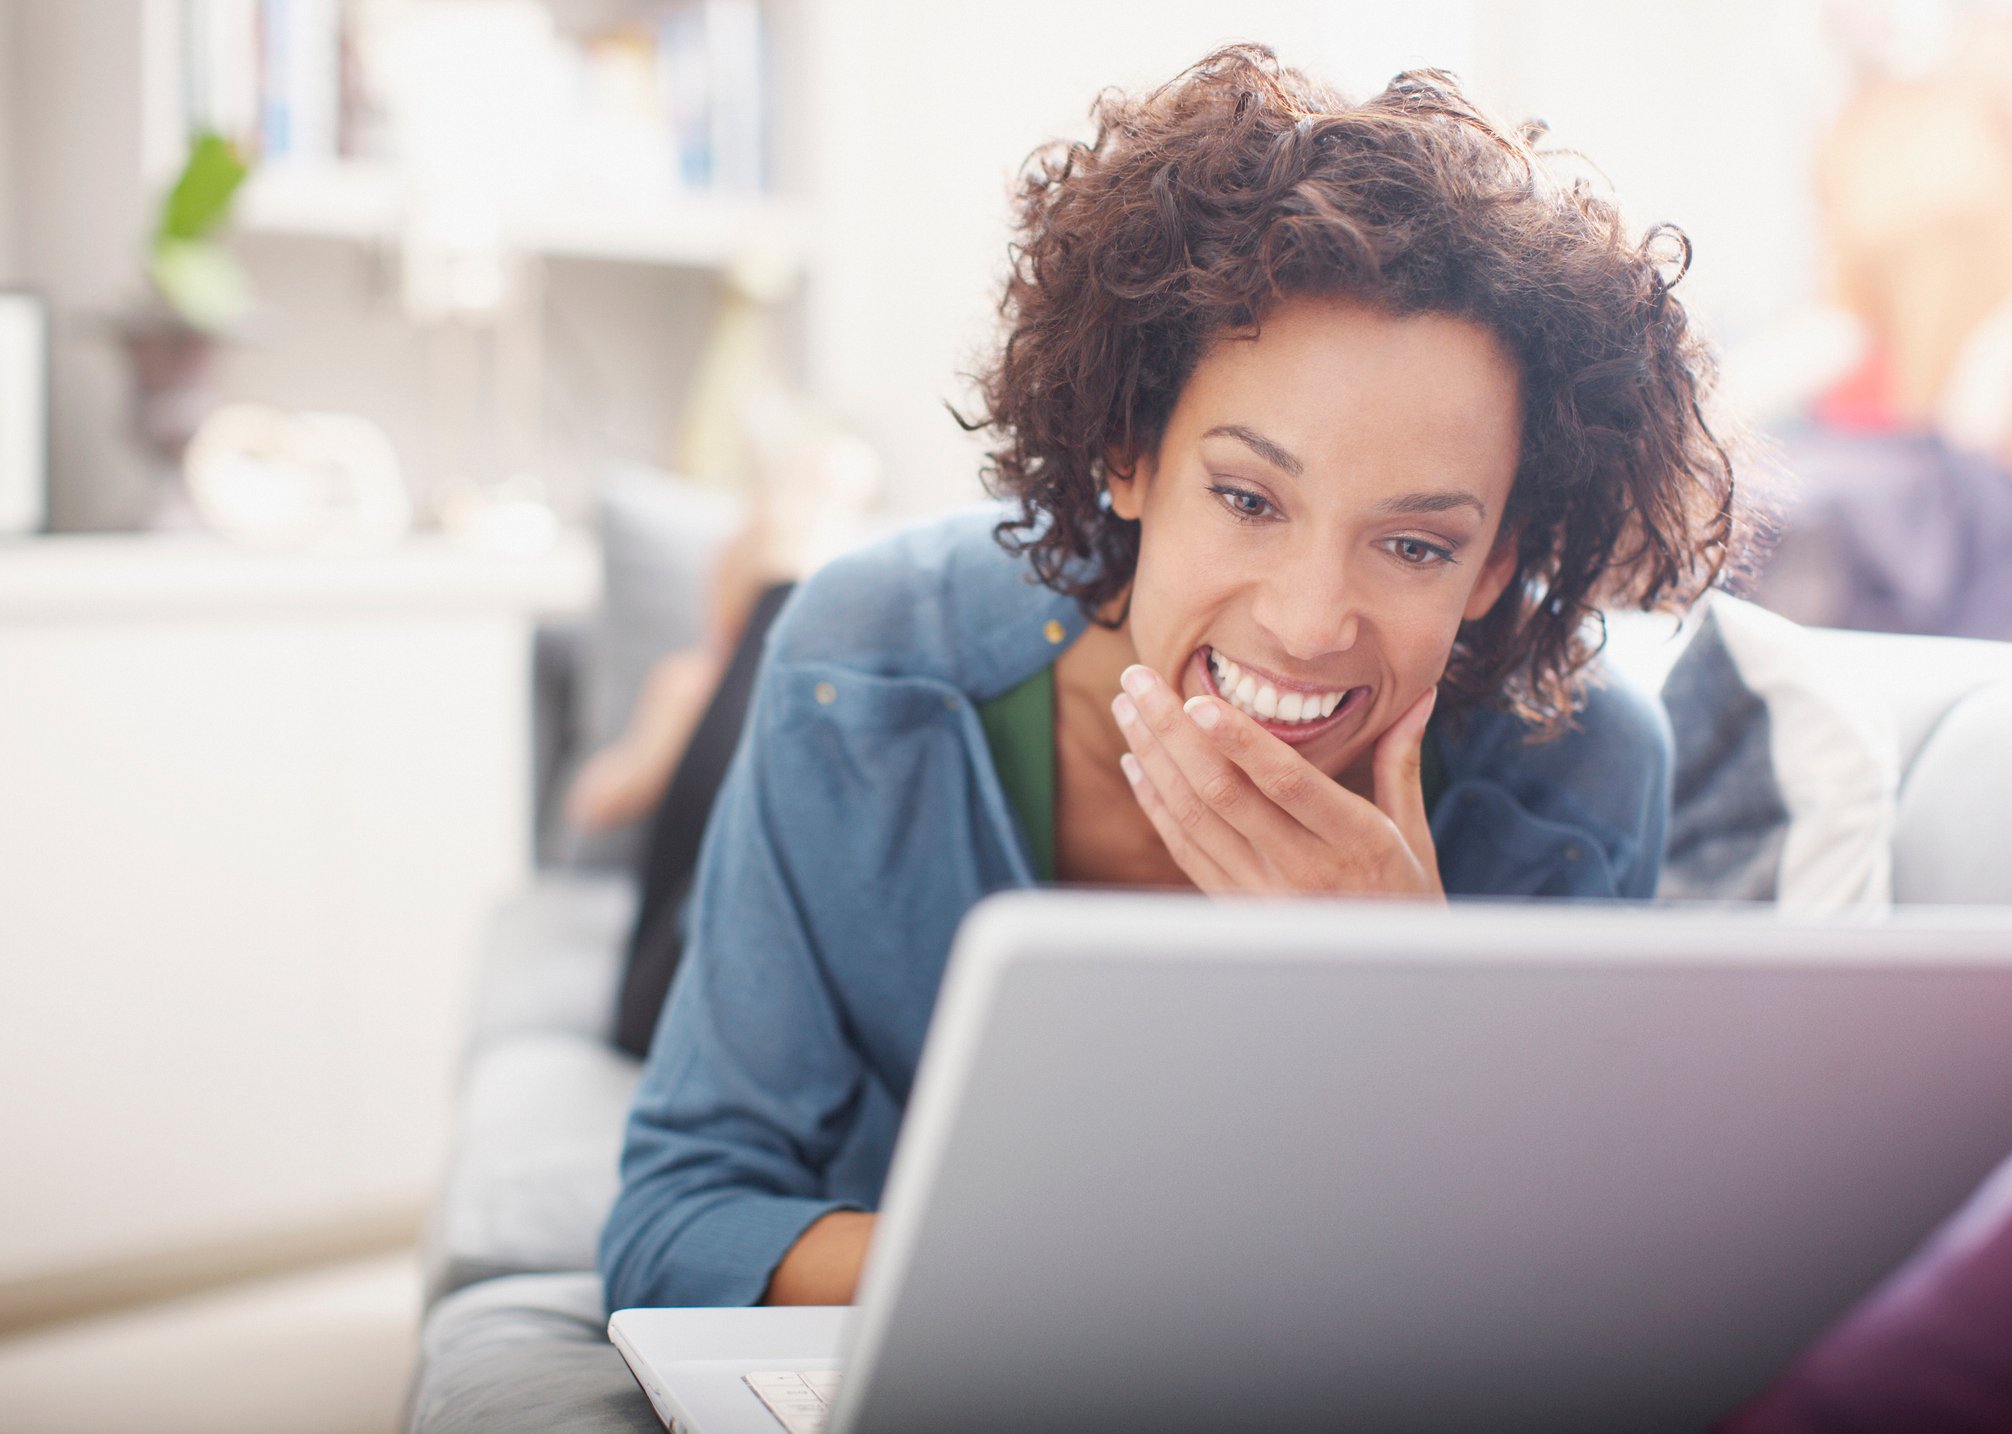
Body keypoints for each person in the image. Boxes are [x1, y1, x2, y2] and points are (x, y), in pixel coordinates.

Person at [599, 45, 1736, 1313]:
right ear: (1128, 452)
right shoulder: (865, 671)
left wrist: (1411, 1013)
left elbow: (1548, 1307)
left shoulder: (1579, 775)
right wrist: (1123, 1280)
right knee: (780, 621)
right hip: (808, 703)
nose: (1307, 625)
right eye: (1247, 498)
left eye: (1415, 545)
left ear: (1496, 566)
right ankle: (745, 604)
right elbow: (676, 1228)